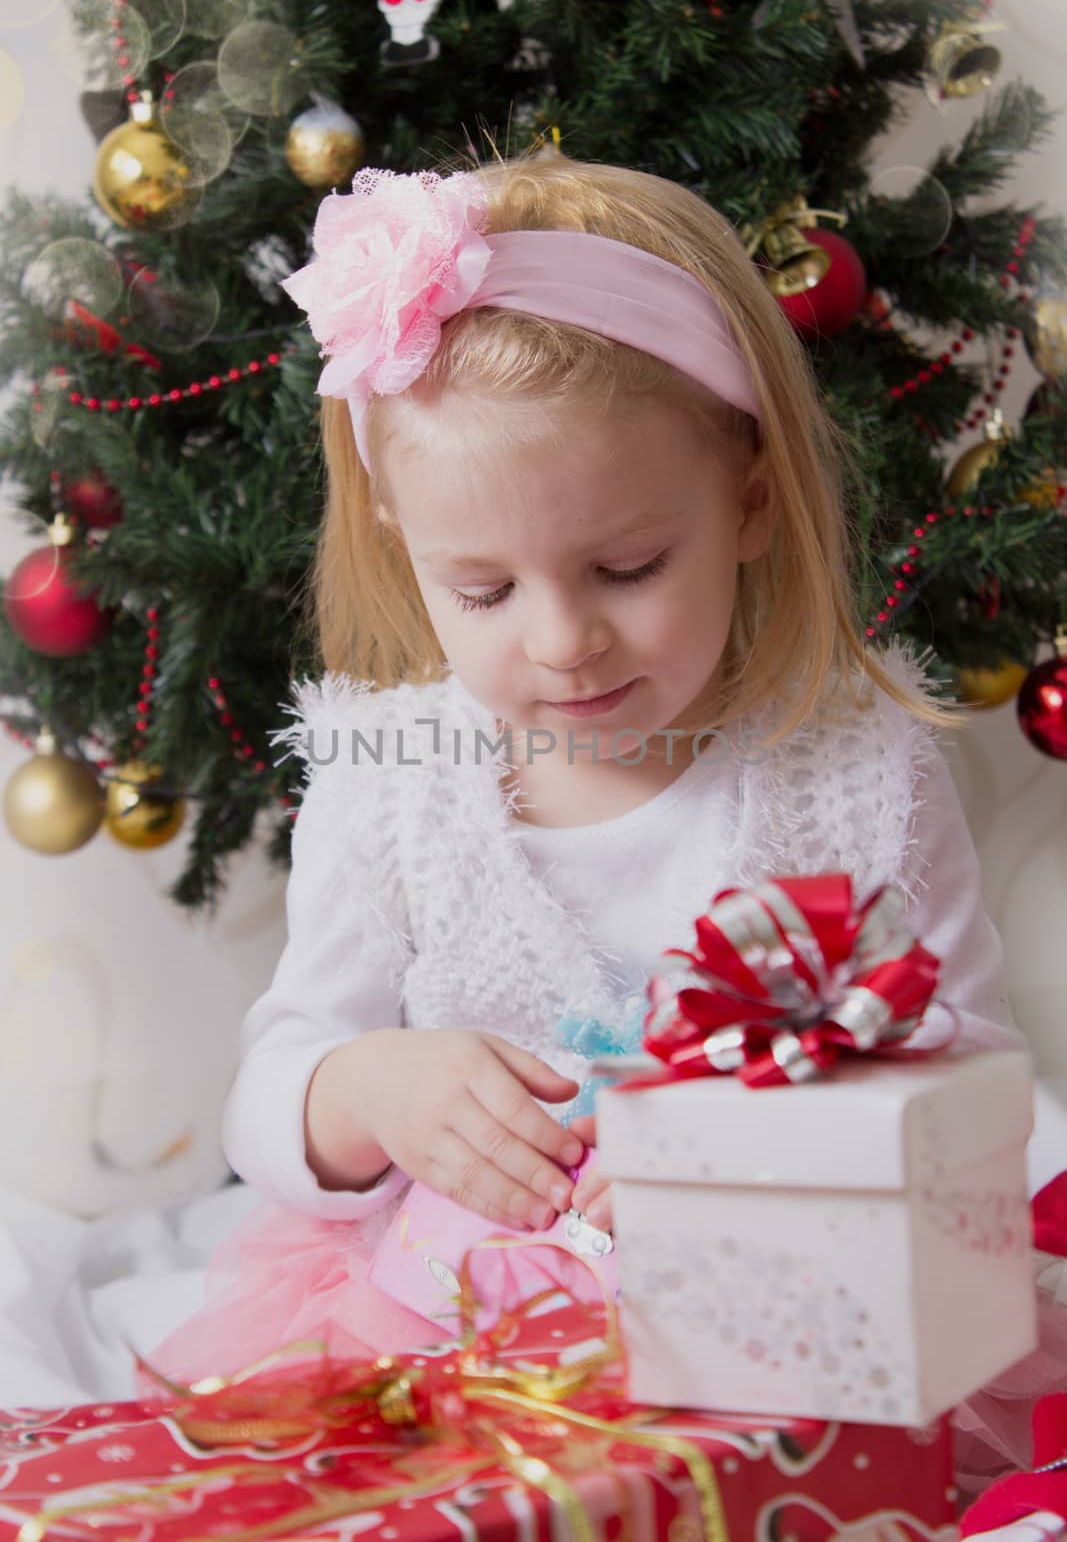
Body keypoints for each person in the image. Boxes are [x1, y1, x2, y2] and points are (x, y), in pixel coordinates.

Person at [145, 150, 1030, 1471]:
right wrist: (369, 1088)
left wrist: (787, 1137)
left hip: (778, 1346)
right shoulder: (394, 785)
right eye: (484, 591)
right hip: (442, 1347)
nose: (564, 643)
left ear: (745, 500)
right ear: (399, 536)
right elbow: (268, 1100)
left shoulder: (856, 774)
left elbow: (977, 1091)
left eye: (626, 567)